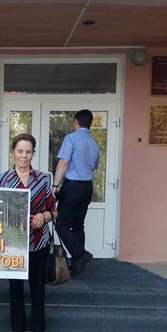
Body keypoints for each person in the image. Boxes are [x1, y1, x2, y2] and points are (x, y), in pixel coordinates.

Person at [0, 134, 55, 332]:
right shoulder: (2, 179)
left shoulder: (43, 179)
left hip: (38, 242)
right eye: (20, 151)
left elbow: (54, 211)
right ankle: (17, 328)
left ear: (33, 154)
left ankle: (38, 329)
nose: (24, 155)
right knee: (15, 287)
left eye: (28, 152)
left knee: (38, 287)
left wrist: (44, 216)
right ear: (13, 152)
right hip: (13, 243)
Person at [53, 109, 99, 277]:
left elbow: (64, 163)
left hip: (72, 186)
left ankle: (80, 254)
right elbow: (94, 167)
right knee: (78, 225)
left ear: (76, 122)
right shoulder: (94, 143)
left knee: (61, 225)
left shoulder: (71, 138)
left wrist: (55, 186)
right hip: (87, 187)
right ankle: (78, 264)